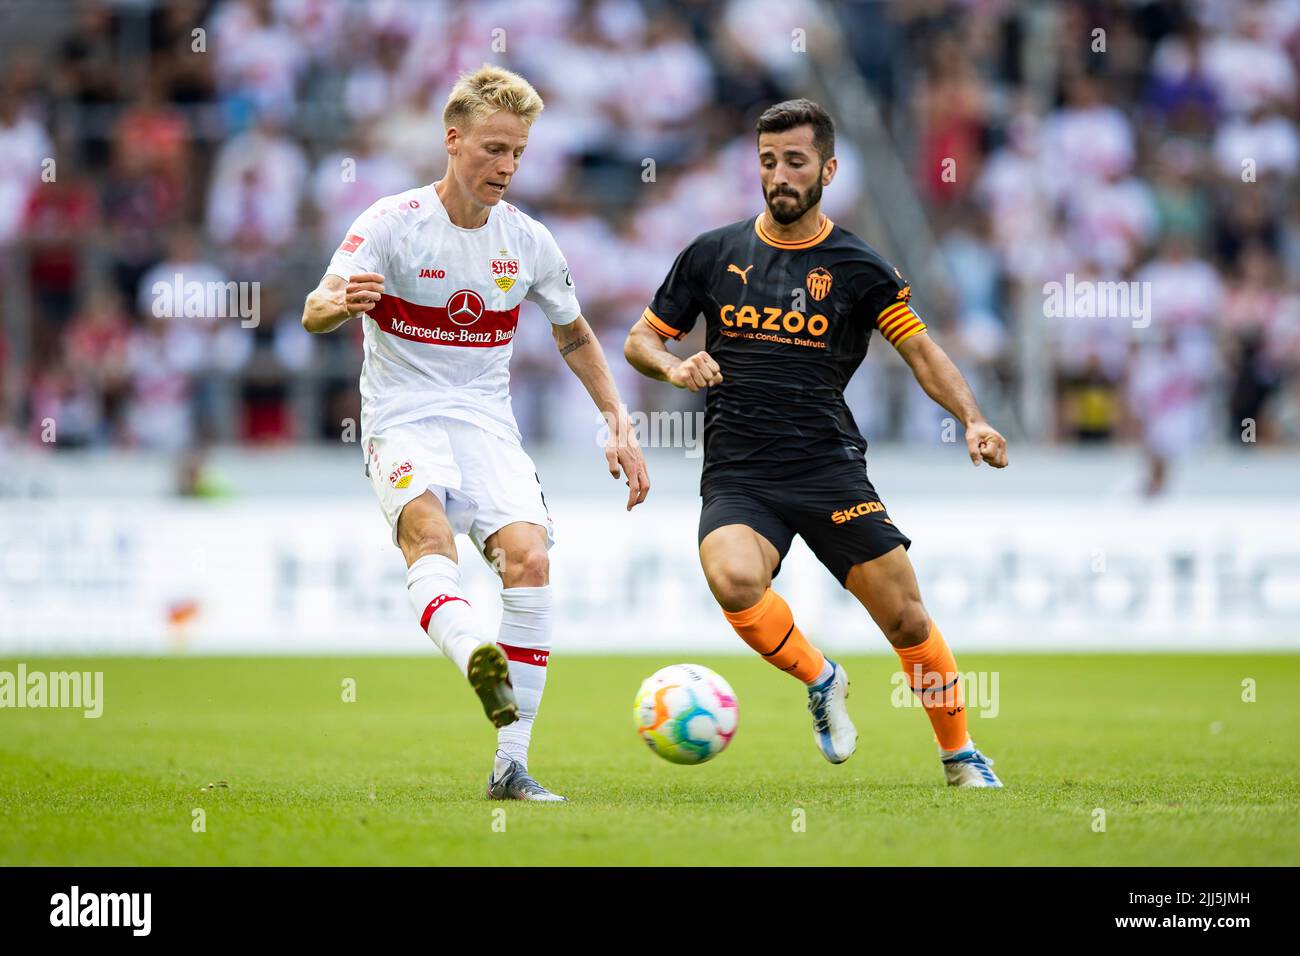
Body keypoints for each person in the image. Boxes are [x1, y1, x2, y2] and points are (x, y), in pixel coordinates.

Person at [624, 98, 1006, 787]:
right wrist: (675, 365)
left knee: (906, 617)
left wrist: (972, 419)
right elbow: (640, 339)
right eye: (768, 161)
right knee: (732, 578)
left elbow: (922, 353)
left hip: (829, 468)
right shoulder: (713, 253)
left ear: (828, 168)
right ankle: (820, 676)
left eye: (795, 162)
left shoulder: (858, 266)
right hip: (741, 473)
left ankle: (960, 753)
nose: (780, 176)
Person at [302, 65, 649, 802]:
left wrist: (617, 421)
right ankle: (475, 655)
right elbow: (315, 307)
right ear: (452, 140)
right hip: (402, 418)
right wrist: (341, 303)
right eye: (494, 148)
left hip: (487, 424)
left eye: (518, 152)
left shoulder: (527, 242)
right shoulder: (391, 223)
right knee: (429, 540)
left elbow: (576, 334)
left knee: (529, 562)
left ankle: (510, 765)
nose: (508, 166)